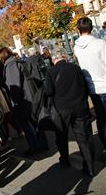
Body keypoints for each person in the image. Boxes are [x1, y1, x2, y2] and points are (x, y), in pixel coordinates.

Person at [44, 48, 95, 176]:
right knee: (83, 137)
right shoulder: (76, 68)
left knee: (61, 136)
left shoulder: (51, 71)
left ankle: (65, 159)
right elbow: (85, 86)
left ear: (54, 59)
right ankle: (89, 166)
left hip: (62, 109)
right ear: (64, 57)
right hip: (80, 106)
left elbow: (49, 91)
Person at [0, 47, 46, 155]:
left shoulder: (10, 65)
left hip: (22, 99)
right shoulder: (18, 61)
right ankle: (42, 143)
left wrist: (15, 102)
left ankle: (34, 146)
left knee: (26, 123)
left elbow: (14, 86)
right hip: (29, 95)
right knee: (34, 121)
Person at [74, 17, 106, 153]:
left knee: (101, 118)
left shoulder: (76, 47)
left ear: (78, 29)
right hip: (104, 84)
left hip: (92, 88)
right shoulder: (100, 43)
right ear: (91, 28)